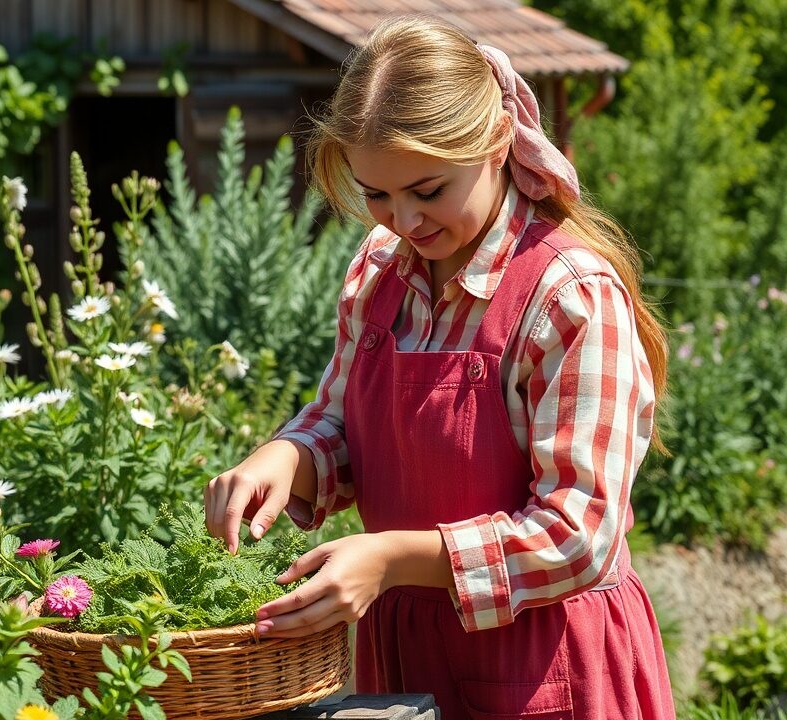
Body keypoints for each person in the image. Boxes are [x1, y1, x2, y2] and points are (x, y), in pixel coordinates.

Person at [204, 14, 676, 719]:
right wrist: (289, 457)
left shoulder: (567, 296)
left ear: (494, 146)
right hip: (406, 650)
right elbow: (345, 420)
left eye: (428, 191)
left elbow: (580, 534)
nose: (404, 220)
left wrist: (393, 558)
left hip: (545, 662)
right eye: (377, 194)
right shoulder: (378, 271)